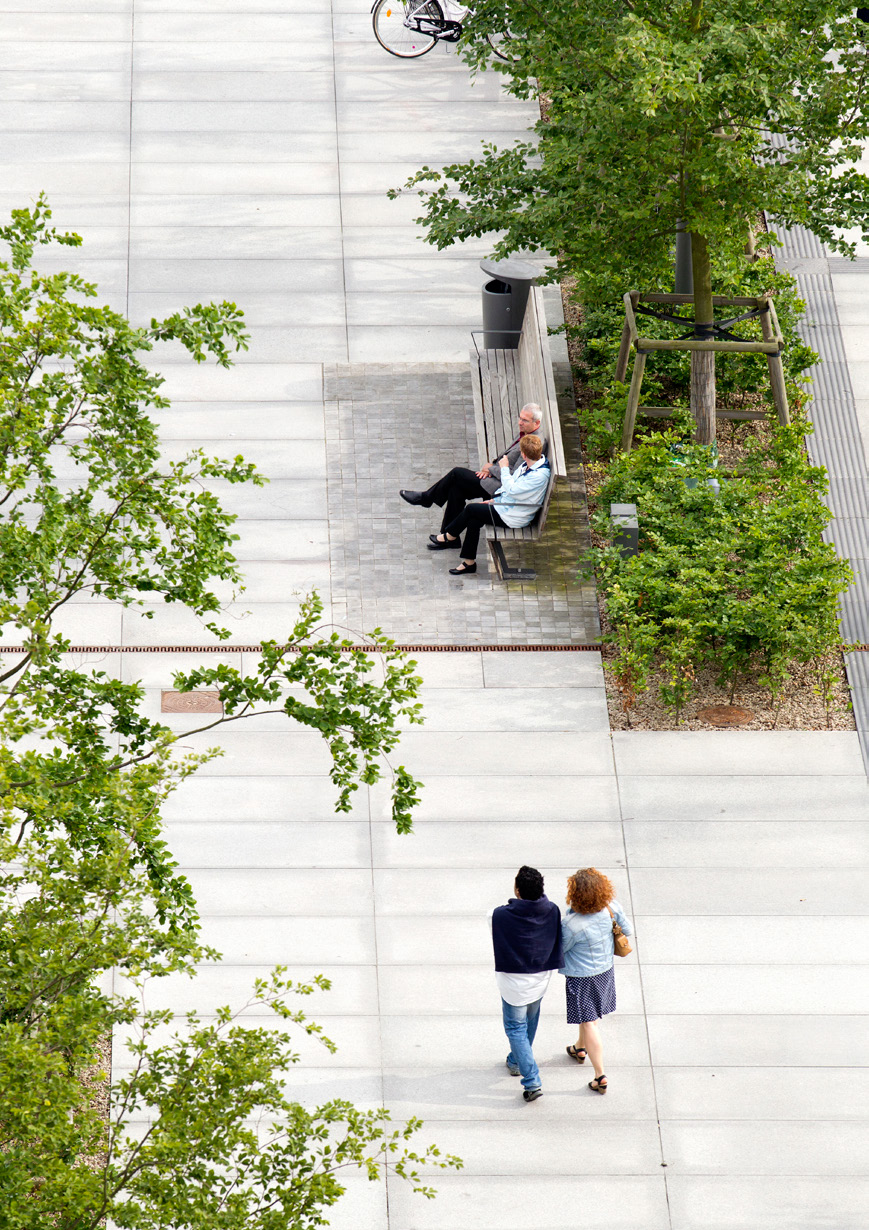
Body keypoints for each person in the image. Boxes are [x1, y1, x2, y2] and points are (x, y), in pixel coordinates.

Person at [399, 403, 545, 536]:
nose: (520, 422)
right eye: (520, 418)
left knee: (457, 474)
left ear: (536, 423)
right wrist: (491, 468)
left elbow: (514, 476)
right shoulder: (526, 432)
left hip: (501, 488)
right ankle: (448, 535)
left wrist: (490, 468)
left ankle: (426, 499)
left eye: (524, 420)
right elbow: (507, 461)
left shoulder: (533, 443)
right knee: (456, 488)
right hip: (496, 477)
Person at [490, 865, 563, 1103]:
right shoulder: (552, 910)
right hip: (540, 981)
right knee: (529, 1022)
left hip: (513, 987)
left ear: (517, 890)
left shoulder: (499, 915)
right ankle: (515, 1061)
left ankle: (532, 1081)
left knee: (515, 1028)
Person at [427, 434, 549, 575]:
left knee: (471, 508)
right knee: (474, 519)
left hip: (514, 516)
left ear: (523, 454)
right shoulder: (527, 465)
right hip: (507, 506)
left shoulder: (538, 476)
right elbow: (507, 490)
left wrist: (504, 468)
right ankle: (469, 563)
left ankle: (450, 535)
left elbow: (512, 490)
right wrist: (494, 500)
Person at [559, 867, 633, 1095]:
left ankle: (600, 1074)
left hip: (581, 978)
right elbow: (627, 930)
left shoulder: (571, 925)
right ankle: (579, 1048)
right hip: (604, 973)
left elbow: (560, 951)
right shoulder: (611, 908)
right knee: (590, 1017)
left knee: (590, 1022)